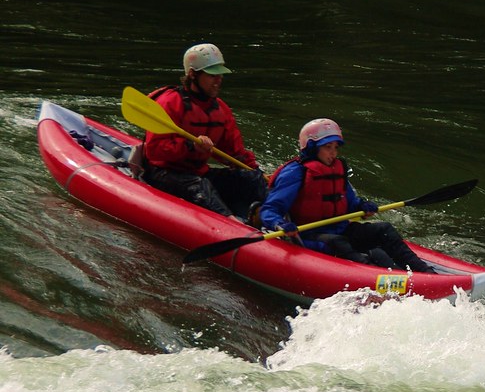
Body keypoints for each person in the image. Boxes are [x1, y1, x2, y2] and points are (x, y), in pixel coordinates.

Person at [259, 118, 432, 272]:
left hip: (340, 229)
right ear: (312, 148)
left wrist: (361, 206)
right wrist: (279, 224)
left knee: (384, 229)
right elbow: (269, 209)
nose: (333, 153)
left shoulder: (337, 169)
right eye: (327, 147)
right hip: (309, 235)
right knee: (337, 242)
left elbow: (350, 203)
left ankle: (425, 273)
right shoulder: (295, 173)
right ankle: (377, 279)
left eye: (335, 148)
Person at [142, 43, 267, 220]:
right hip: (164, 173)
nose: (219, 79)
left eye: (220, 74)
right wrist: (191, 146)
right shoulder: (170, 102)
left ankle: (273, 216)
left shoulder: (220, 108)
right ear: (193, 75)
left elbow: (234, 152)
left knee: (250, 177)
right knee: (200, 186)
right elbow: (154, 150)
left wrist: (256, 172)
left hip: (198, 171)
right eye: (212, 75)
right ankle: (232, 224)